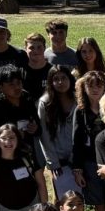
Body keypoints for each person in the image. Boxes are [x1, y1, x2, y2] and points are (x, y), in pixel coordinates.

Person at [0, 65, 40, 156]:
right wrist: (7, 137)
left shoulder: (28, 100)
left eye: (19, 83)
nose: (17, 87)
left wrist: (35, 128)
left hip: (26, 156)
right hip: (2, 160)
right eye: (11, 84)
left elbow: (38, 127)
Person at [37, 65, 79, 197]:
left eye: (64, 78)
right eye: (56, 79)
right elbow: (44, 135)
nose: (60, 82)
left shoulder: (79, 99)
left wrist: (76, 157)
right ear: (51, 82)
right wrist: (53, 162)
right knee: (63, 198)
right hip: (58, 161)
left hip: (78, 157)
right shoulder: (45, 103)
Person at [71, 71, 105, 207]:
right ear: (84, 88)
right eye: (91, 86)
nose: (95, 89)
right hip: (90, 163)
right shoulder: (80, 111)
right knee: (99, 204)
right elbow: (77, 142)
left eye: (99, 86)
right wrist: (77, 170)